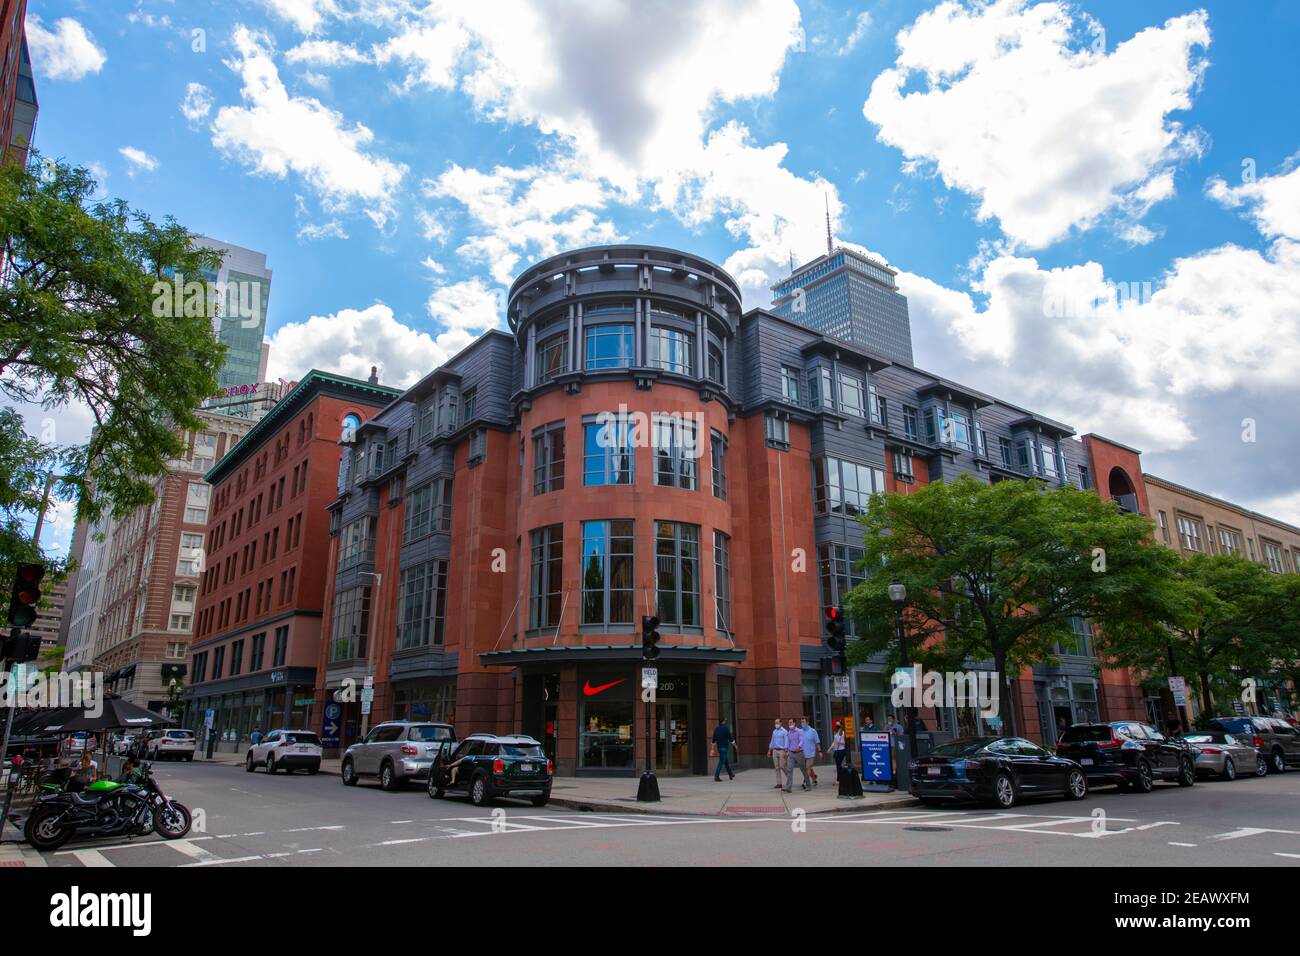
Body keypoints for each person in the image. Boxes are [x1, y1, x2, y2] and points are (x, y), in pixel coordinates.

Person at [783, 719, 809, 792]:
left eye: (791, 723)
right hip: (791, 753)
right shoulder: (789, 732)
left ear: (794, 723)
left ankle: (808, 785)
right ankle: (788, 787)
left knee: (803, 769)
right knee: (789, 769)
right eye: (789, 723)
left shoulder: (799, 731)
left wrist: (799, 746)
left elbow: (802, 740)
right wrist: (786, 751)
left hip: (799, 753)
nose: (790, 724)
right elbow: (788, 742)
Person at [767, 718, 788, 789]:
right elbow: (772, 741)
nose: (776, 724)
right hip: (775, 750)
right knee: (777, 767)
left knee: (782, 766)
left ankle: (789, 778)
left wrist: (786, 751)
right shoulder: (774, 731)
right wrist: (769, 750)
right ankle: (779, 783)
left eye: (777, 723)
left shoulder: (784, 731)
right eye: (775, 723)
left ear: (781, 723)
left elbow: (786, 742)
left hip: (782, 750)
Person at [800, 717, 822, 787]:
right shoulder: (800, 731)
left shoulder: (813, 731)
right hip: (803, 753)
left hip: (811, 753)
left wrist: (820, 751)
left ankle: (805, 782)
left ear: (807, 722)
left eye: (803, 722)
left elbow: (817, 742)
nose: (802, 723)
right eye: (801, 722)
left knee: (808, 767)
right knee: (809, 768)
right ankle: (814, 778)